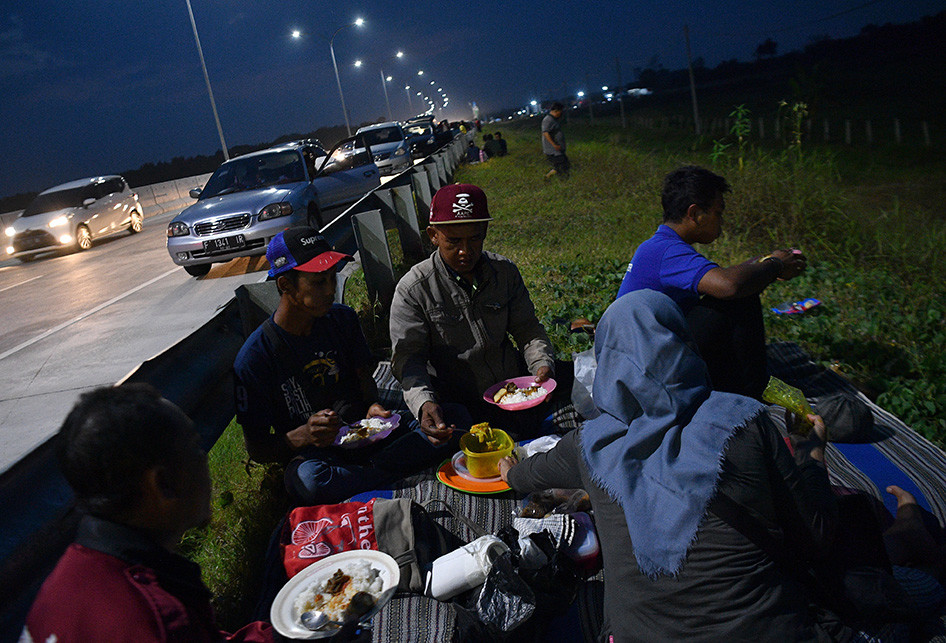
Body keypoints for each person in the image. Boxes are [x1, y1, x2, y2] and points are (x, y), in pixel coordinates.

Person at [499, 289, 838, 641]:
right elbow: (815, 538)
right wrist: (811, 452)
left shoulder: (588, 443)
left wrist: (510, 472)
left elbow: (526, 475)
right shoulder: (745, 421)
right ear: (684, 343)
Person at [23, 384, 272, 642]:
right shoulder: (160, 621)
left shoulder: (68, 577)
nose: (204, 461)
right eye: (196, 448)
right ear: (163, 484)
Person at [233, 227, 456, 505]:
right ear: (286, 286)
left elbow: (365, 381)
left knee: (452, 418)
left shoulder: (342, 319)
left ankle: (373, 474)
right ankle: (389, 471)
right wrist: (305, 435)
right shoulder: (255, 358)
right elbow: (258, 448)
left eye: (332, 278)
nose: (330, 291)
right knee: (311, 482)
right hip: (318, 454)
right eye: (318, 283)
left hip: (365, 434)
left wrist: (373, 408)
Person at [390, 183, 572, 441]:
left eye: (475, 238)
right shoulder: (414, 289)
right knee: (458, 431)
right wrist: (424, 403)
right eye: (453, 241)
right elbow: (409, 362)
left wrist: (541, 364)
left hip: (512, 387)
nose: (465, 251)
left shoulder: (504, 272)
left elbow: (528, 329)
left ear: (485, 231)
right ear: (433, 235)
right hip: (460, 398)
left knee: (583, 383)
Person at [616, 165, 807, 399]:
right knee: (739, 298)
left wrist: (763, 263)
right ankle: (754, 390)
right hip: (647, 368)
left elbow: (725, 278)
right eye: (718, 213)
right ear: (695, 214)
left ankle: (741, 384)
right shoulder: (666, 250)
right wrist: (774, 265)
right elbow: (729, 286)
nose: (721, 221)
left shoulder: (661, 246)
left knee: (735, 290)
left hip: (644, 356)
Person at [541, 102, 569, 179]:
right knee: (562, 165)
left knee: (561, 165)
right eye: (560, 112)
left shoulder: (554, 119)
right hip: (553, 150)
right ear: (556, 111)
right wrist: (554, 145)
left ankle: (547, 177)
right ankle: (562, 180)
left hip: (557, 149)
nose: (561, 113)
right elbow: (545, 133)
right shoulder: (548, 120)